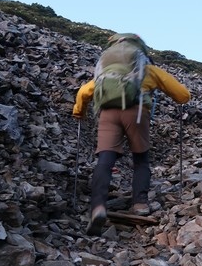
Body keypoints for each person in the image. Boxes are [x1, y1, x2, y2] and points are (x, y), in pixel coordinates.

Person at [72, 34, 191, 236]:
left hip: (108, 113)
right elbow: (182, 94)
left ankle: (98, 206)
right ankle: (139, 204)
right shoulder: (146, 67)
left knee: (105, 159)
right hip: (136, 114)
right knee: (140, 159)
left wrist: (78, 111)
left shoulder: (106, 68)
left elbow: (85, 91)